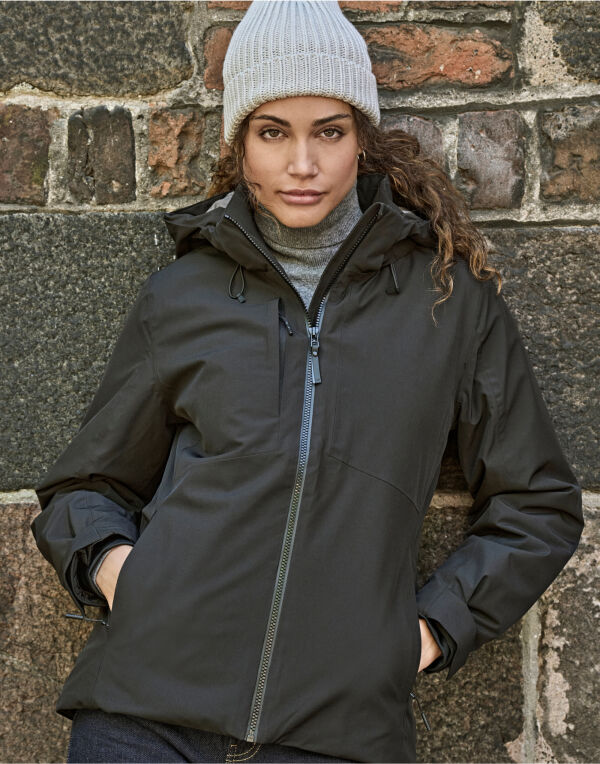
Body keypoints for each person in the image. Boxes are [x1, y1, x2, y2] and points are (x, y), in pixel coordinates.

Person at [30, 1, 584, 763]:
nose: (301, 163)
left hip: (336, 732)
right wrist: (125, 575)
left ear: (362, 139)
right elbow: (85, 486)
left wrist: (424, 634)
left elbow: (537, 505)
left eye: (328, 131)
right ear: (240, 145)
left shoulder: (448, 302)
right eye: (272, 132)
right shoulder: (183, 296)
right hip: (143, 716)